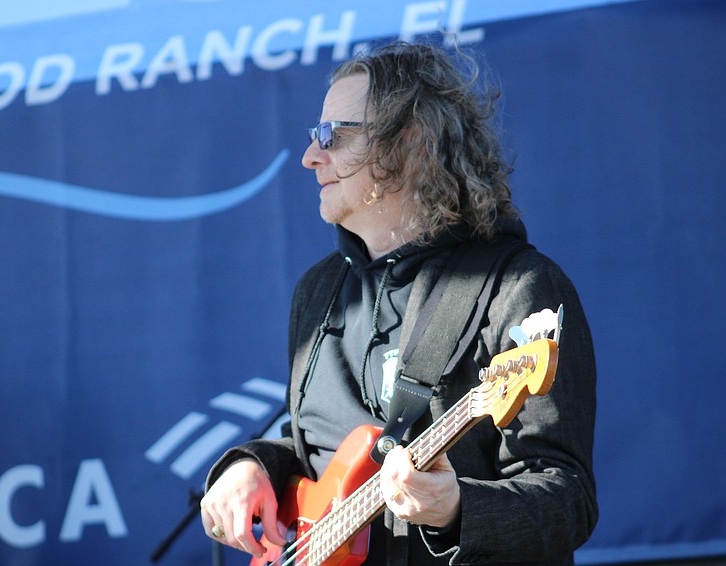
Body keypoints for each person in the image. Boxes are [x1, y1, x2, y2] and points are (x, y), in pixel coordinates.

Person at [200, 40, 597, 565]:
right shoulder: (318, 292)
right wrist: (251, 465)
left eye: (332, 136)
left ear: (411, 146)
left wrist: (458, 508)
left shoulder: (518, 286)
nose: (310, 156)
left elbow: (568, 499)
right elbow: (311, 448)